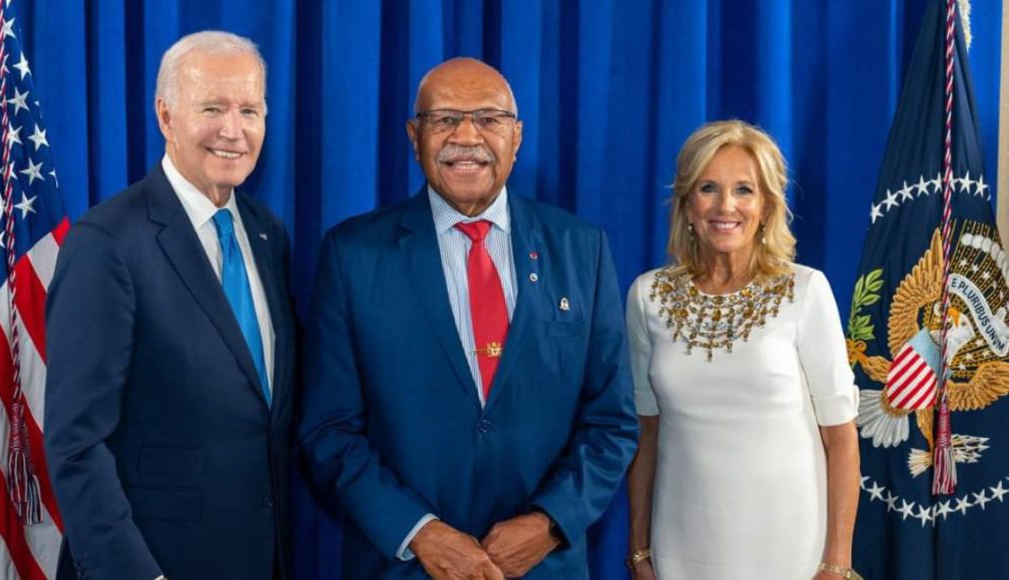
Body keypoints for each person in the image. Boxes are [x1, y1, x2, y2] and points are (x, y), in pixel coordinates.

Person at [299, 57, 638, 579]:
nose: (466, 135)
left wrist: (549, 523)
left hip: (543, 566)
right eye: (444, 119)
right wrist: (420, 532)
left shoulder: (580, 248)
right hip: (406, 567)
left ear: (517, 136)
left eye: (488, 118)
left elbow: (611, 422)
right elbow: (329, 429)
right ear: (415, 136)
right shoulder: (352, 255)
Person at [44, 31, 297, 580]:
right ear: (165, 116)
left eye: (249, 109)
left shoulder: (266, 234)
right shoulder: (106, 242)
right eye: (213, 107)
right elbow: (76, 444)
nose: (234, 130)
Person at [624, 120, 861, 580]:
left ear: (768, 206)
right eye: (708, 188)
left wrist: (837, 562)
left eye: (744, 190)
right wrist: (639, 550)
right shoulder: (646, 297)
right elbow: (645, 435)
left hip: (793, 549)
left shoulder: (805, 290)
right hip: (681, 546)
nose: (725, 206)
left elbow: (842, 440)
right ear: (688, 205)